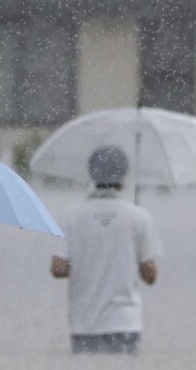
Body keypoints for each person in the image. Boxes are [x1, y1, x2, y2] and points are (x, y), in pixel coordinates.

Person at [50, 145, 161, 354]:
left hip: (83, 322)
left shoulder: (70, 217)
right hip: (125, 322)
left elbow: (58, 268)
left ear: (91, 173)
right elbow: (150, 275)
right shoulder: (139, 217)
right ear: (124, 175)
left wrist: (88, 259)